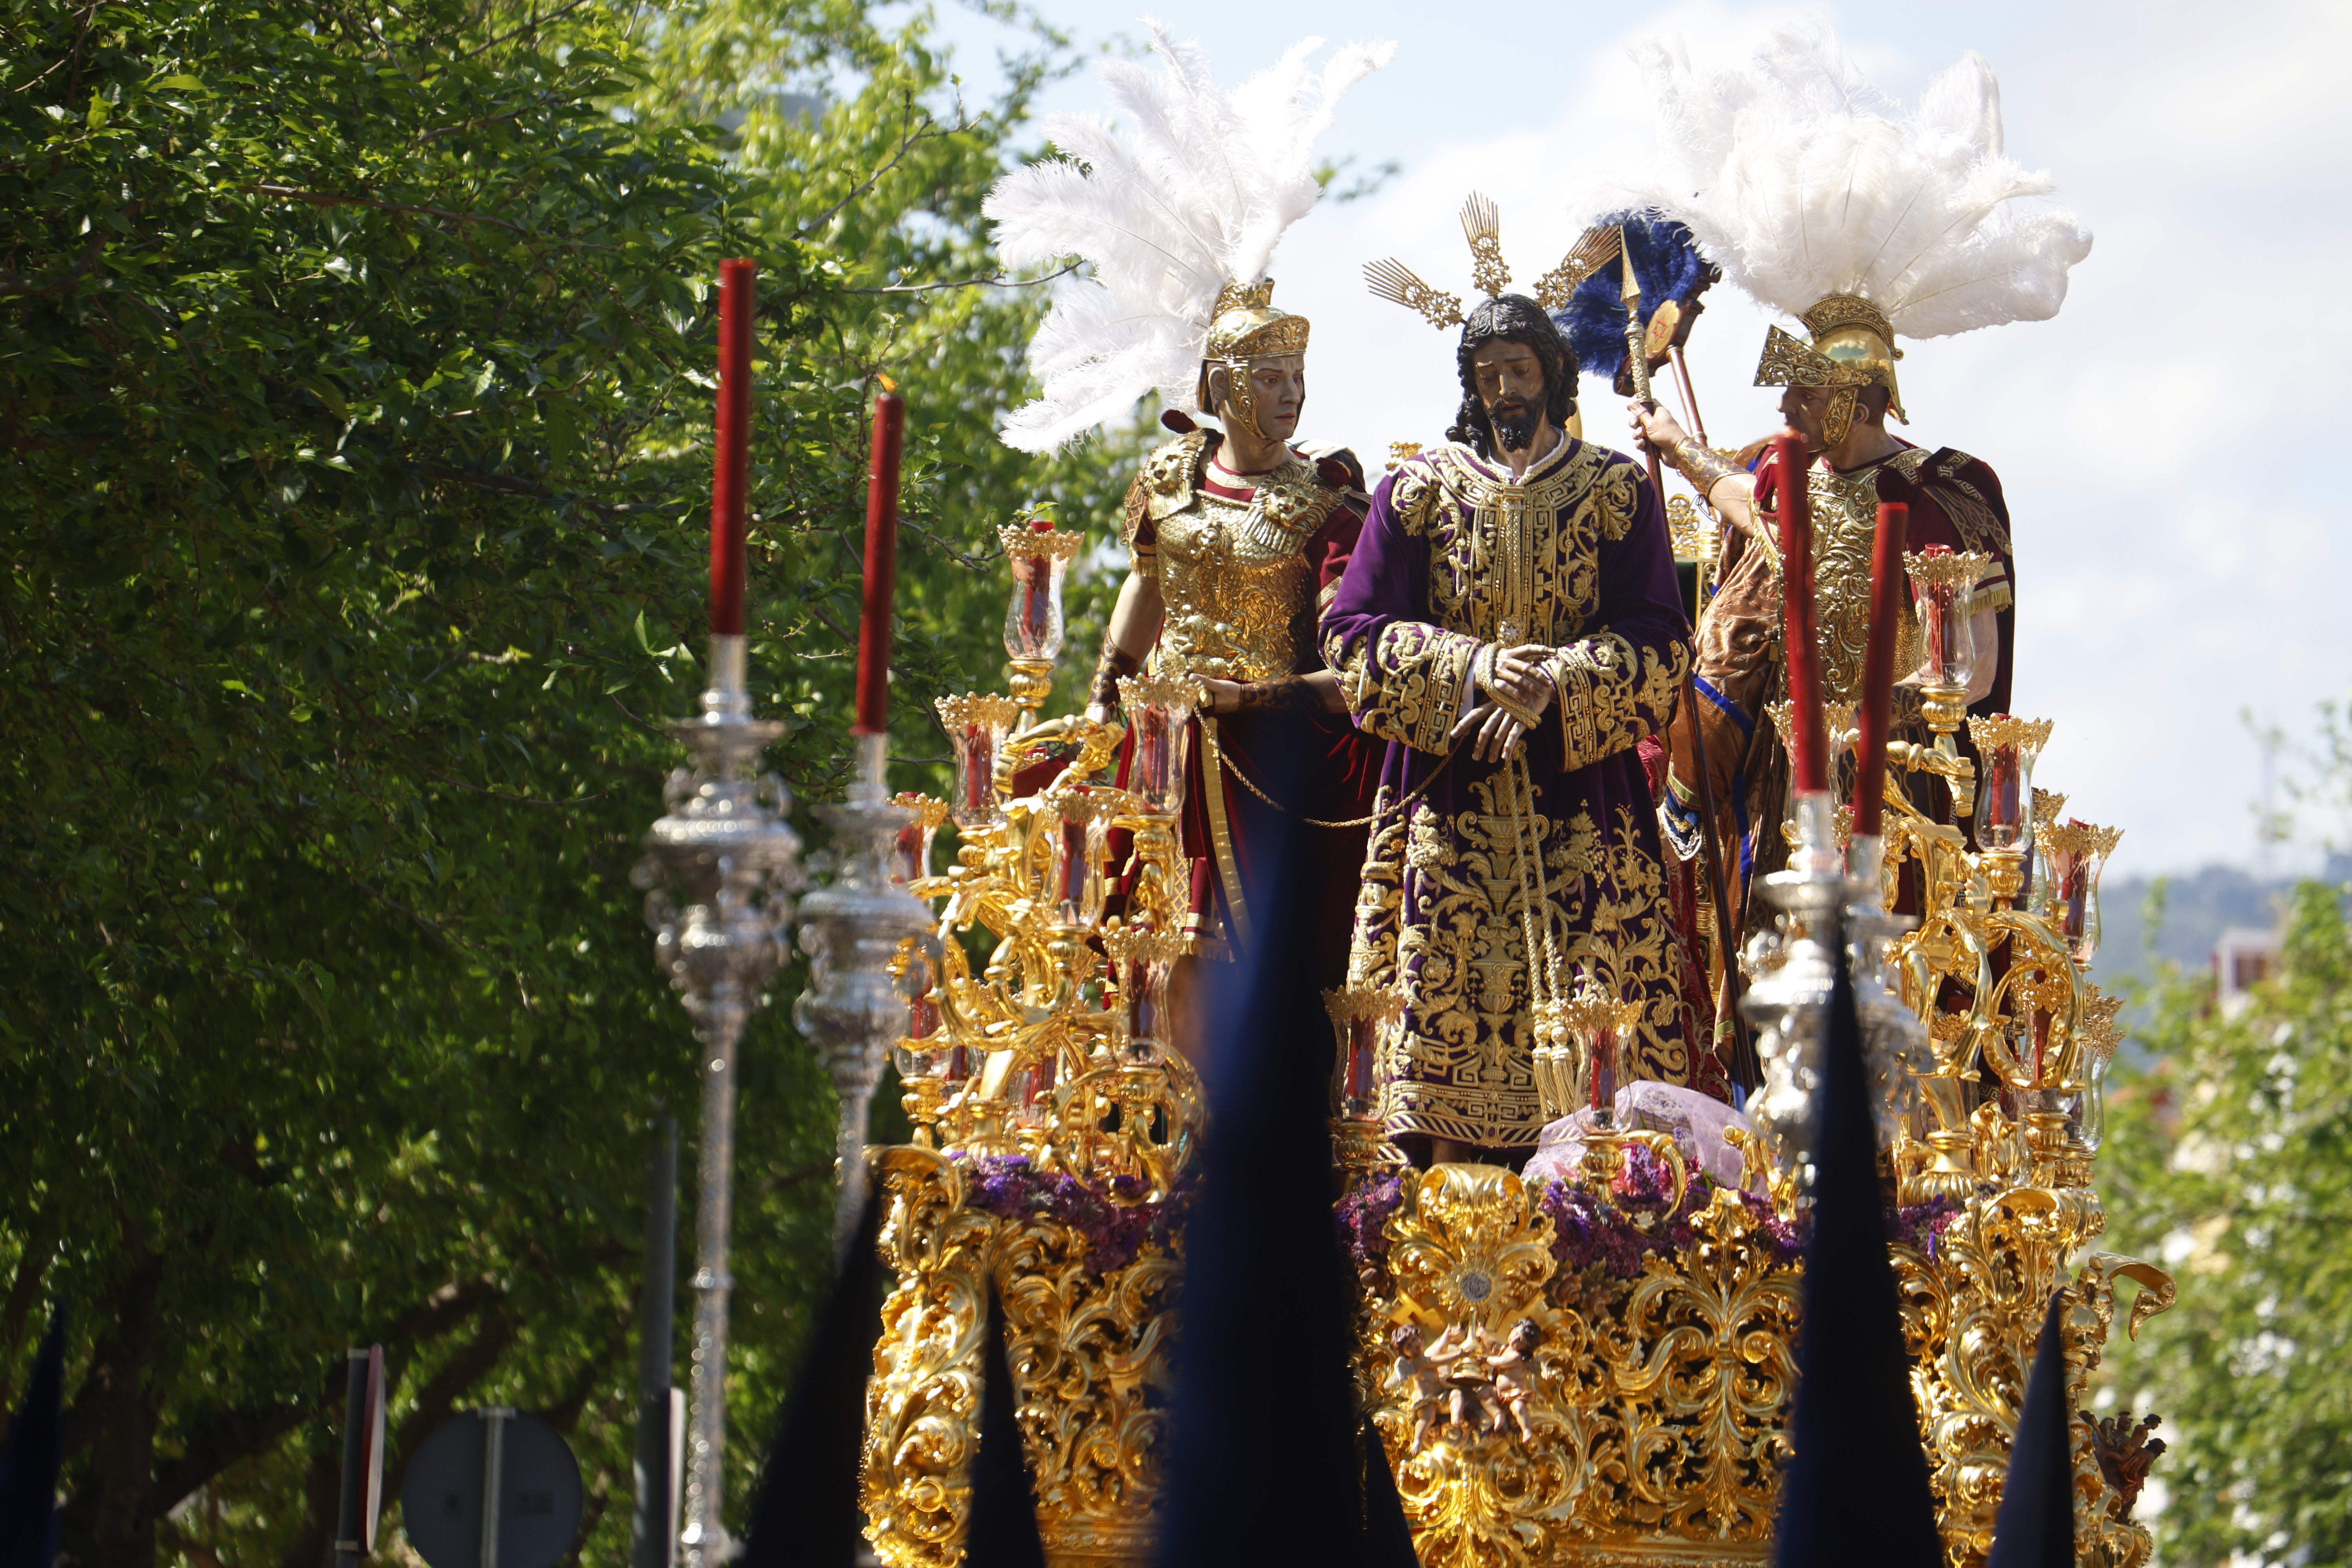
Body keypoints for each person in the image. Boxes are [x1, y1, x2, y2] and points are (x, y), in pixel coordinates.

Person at [1324, 294, 1694, 1164]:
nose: (1505, 392)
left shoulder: (1615, 490)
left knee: (1597, 1057)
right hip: (1444, 809)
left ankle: (1597, 1221)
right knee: (1426, 1053)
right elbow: (1352, 635)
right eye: (1487, 377)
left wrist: (1551, 684)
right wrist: (1473, 668)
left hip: (1581, 809)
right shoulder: (1418, 491)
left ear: (1555, 374)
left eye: (1520, 371)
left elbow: (1663, 644)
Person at [1633, 300, 2015, 945]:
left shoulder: (1937, 492)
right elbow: (1744, 503)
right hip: (1791, 777)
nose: (1783, 406)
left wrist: (1867, 723)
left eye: (1802, 395)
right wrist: (1675, 446)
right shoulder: (1792, 476)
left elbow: (1973, 669)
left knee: (1893, 965)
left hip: (1898, 779)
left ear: (1857, 406)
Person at [1083, 283, 1376, 995]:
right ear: (1223, 385)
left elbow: (1353, 658)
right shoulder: (1167, 477)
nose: (1293, 395)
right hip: (1164, 747)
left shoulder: (1328, 502)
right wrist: (1101, 698)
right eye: (1272, 379)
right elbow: (1147, 586)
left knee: (1265, 966)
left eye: (1298, 377)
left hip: (1270, 759)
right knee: (1141, 944)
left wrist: (1248, 699)